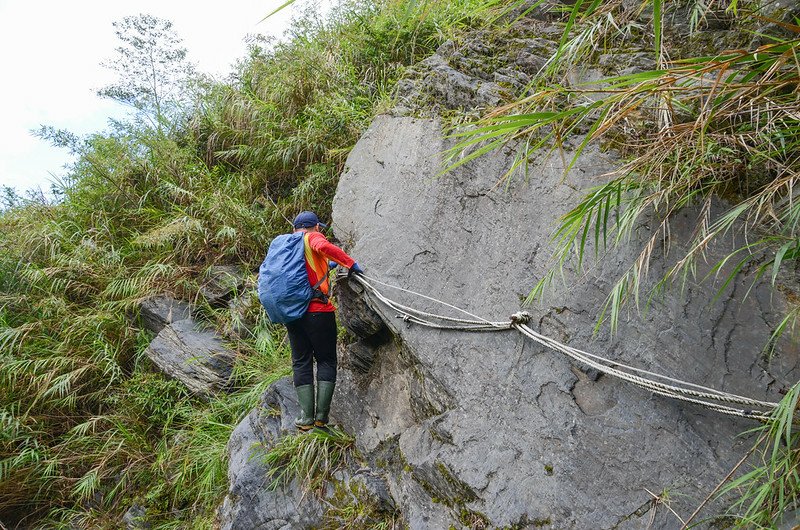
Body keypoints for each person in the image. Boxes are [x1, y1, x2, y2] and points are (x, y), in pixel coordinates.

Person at [285, 211, 362, 431]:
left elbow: (306, 269)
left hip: (293, 314)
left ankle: (305, 419)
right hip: (318, 311)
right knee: (326, 361)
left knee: (301, 362)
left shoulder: (287, 246)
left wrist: (326, 267)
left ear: (294, 229)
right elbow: (325, 248)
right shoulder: (312, 237)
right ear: (315, 227)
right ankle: (321, 418)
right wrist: (350, 263)